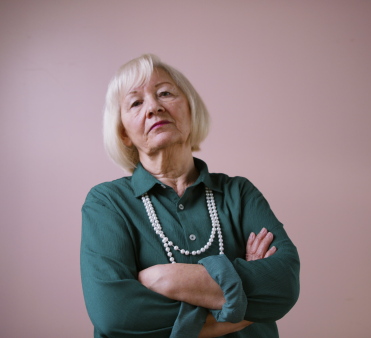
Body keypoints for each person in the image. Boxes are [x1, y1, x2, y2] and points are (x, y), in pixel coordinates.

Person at [81, 54, 299, 337]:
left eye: (165, 93)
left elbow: (284, 285)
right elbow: (114, 313)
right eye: (136, 103)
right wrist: (243, 306)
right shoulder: (106, 202)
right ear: (124, 134)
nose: (154, 107)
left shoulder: (239, 193)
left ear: (190, 109)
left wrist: (167, 280)